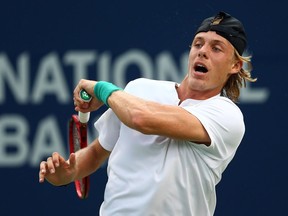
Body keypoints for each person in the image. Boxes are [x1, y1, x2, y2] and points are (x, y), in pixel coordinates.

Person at [39, 11, 256, 215]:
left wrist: (103, 89)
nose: (202, 51)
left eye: (216, 48)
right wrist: (67, 174)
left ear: (235, 65)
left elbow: (141, 118)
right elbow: (97, 153)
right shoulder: (138, 89)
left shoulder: (227, 115)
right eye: (198, 44)